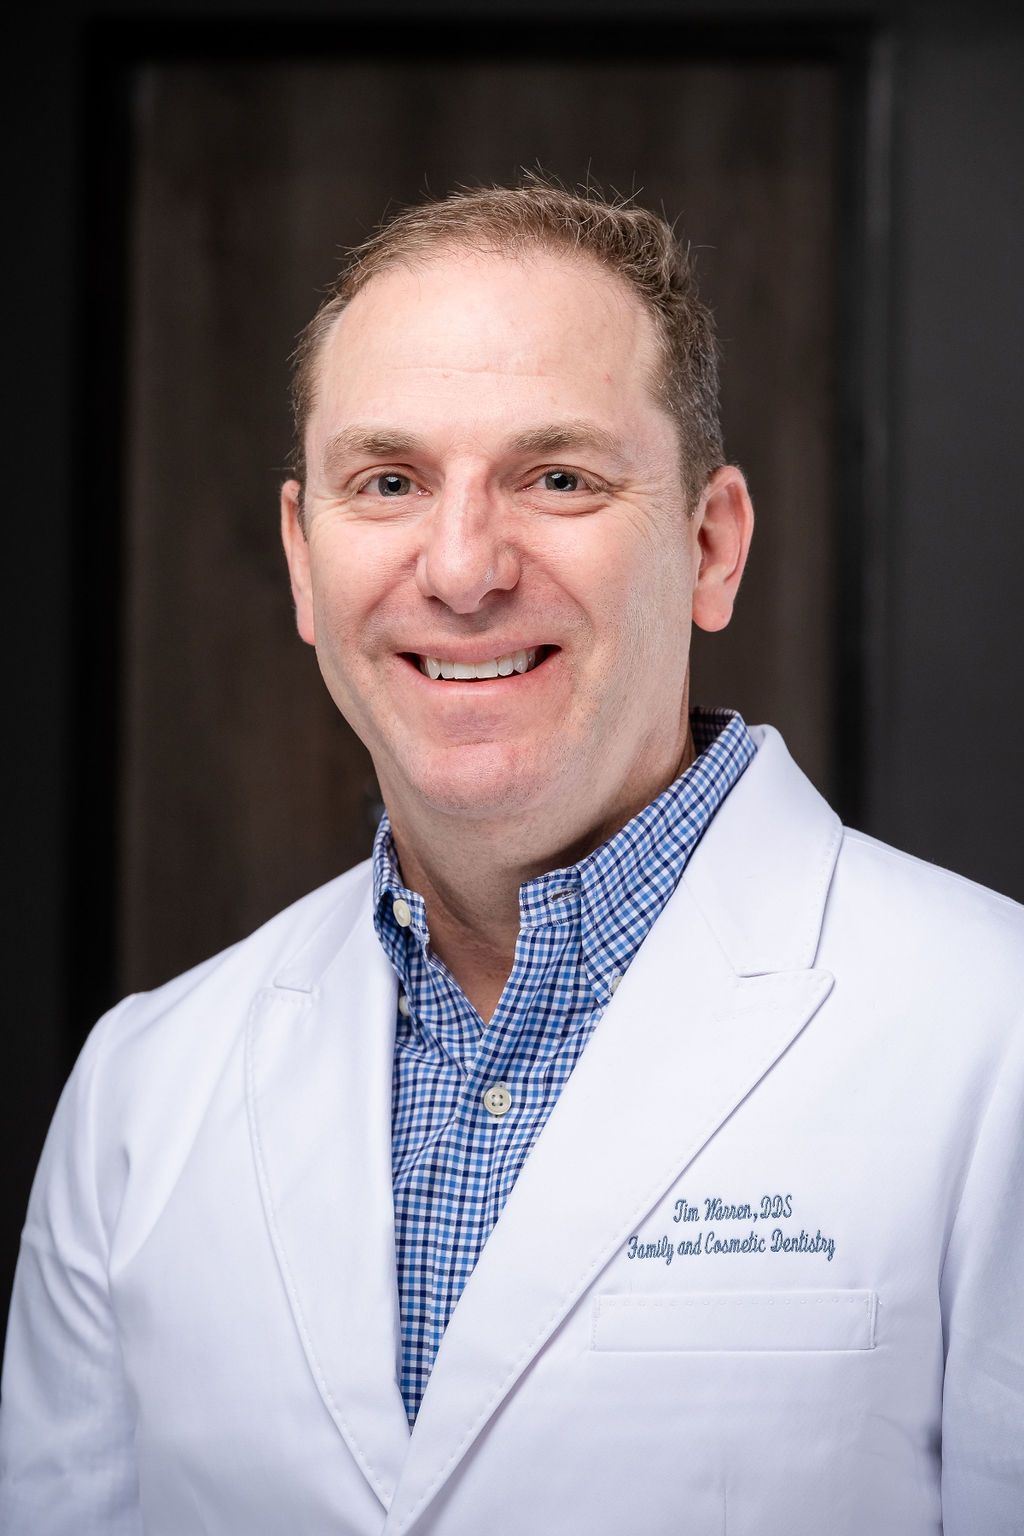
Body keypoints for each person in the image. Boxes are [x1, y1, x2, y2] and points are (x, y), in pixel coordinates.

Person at [1, 180, 1022, 1536]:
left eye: (558, 477)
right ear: (305, 562)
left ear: (709, 547)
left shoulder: (995, 1032)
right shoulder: (144, 1087)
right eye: (389, 482)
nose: (465, 567)